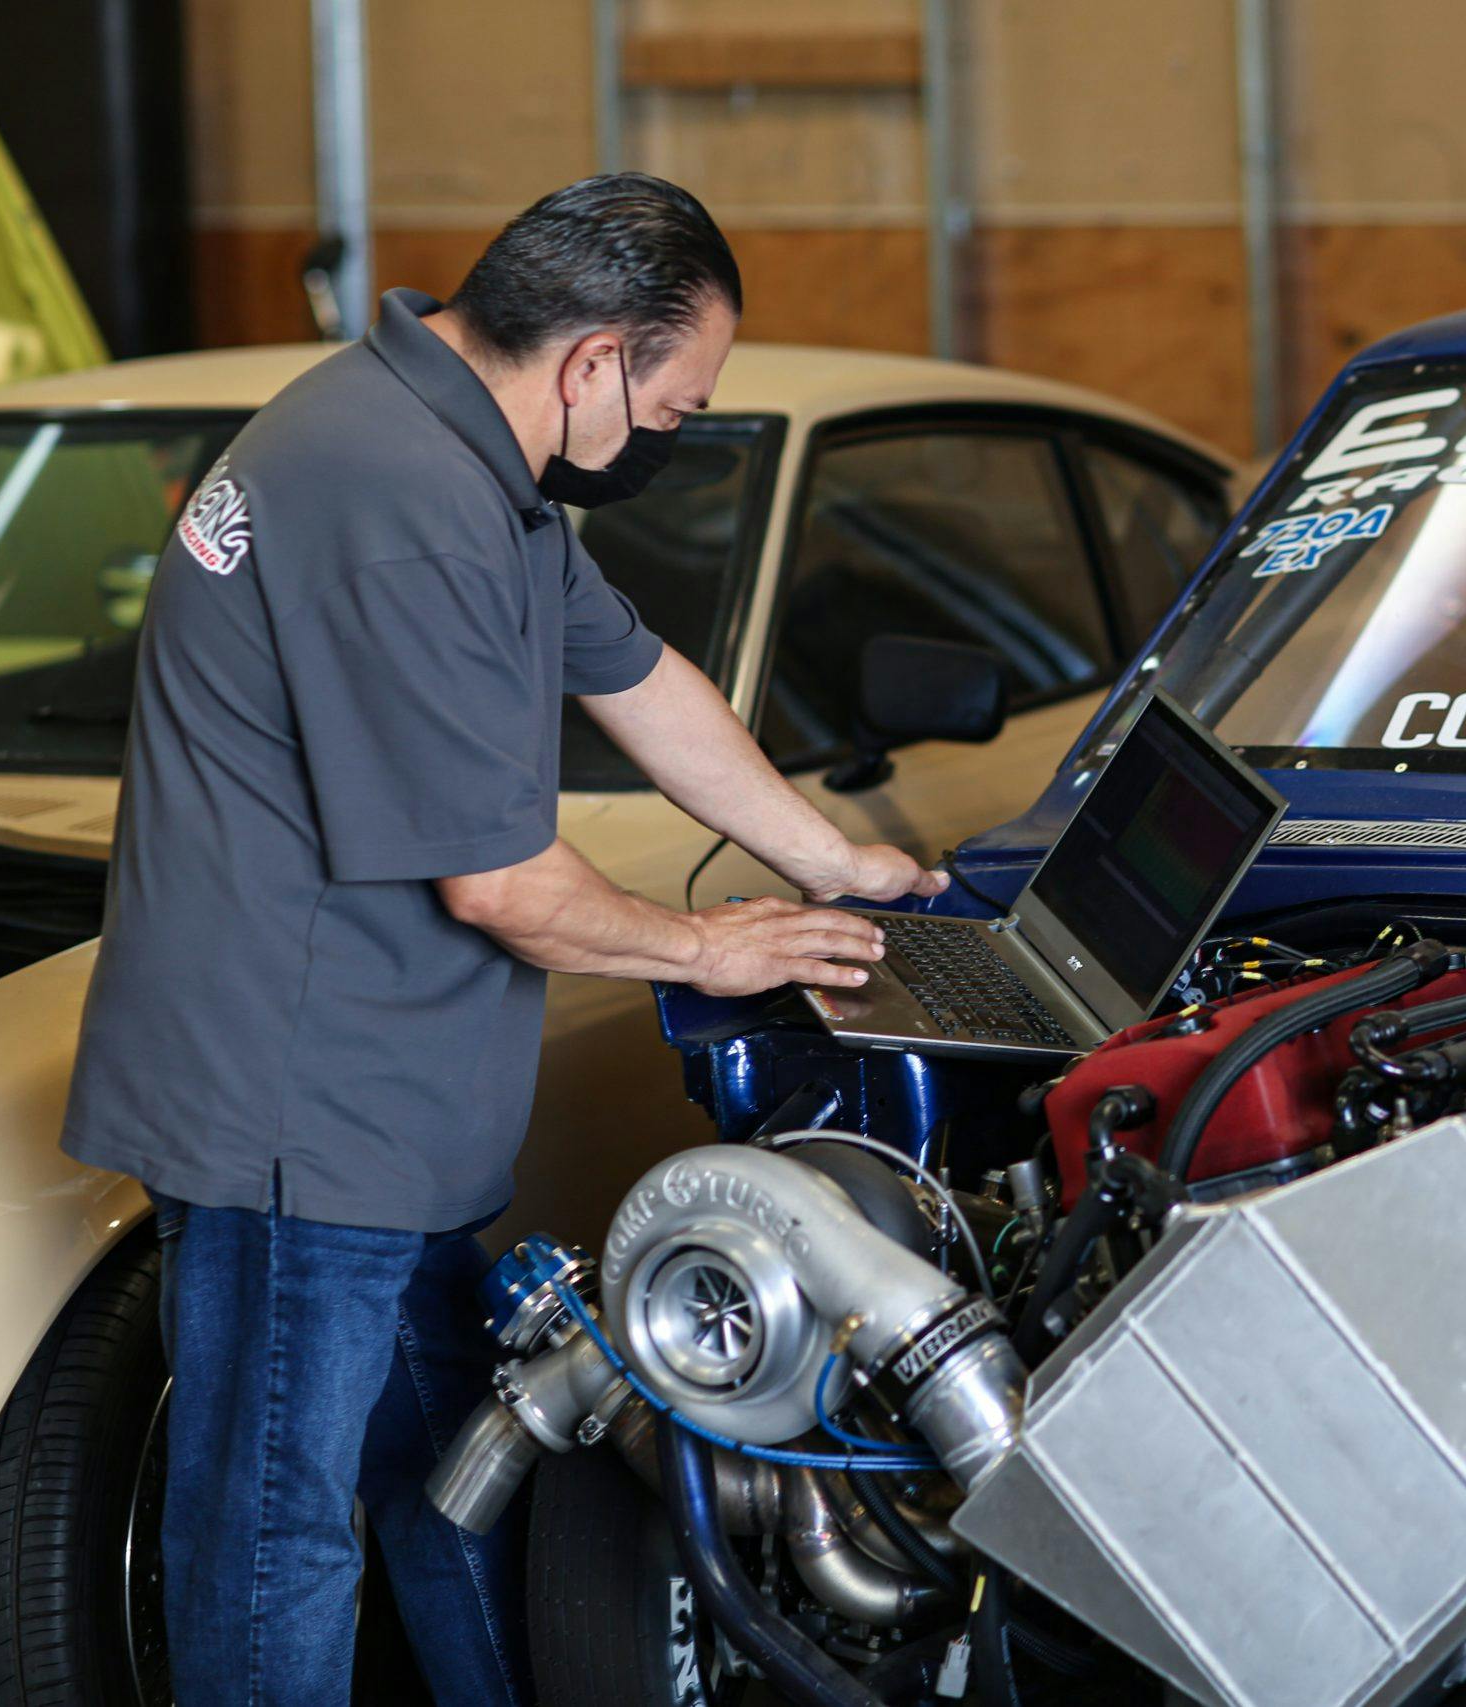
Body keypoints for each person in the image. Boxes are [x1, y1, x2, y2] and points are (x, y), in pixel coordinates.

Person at [59, 172, 942, 1706]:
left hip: (383, 1121)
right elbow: (501, 884)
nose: (665, 436)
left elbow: (638, 673)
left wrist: (830, 858)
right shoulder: (398, 499)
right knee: (273, 1537)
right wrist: (715, 949)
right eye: (673, 404)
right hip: (299, 1124)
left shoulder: (458, 452)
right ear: (594, 359)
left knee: (459, 1474)